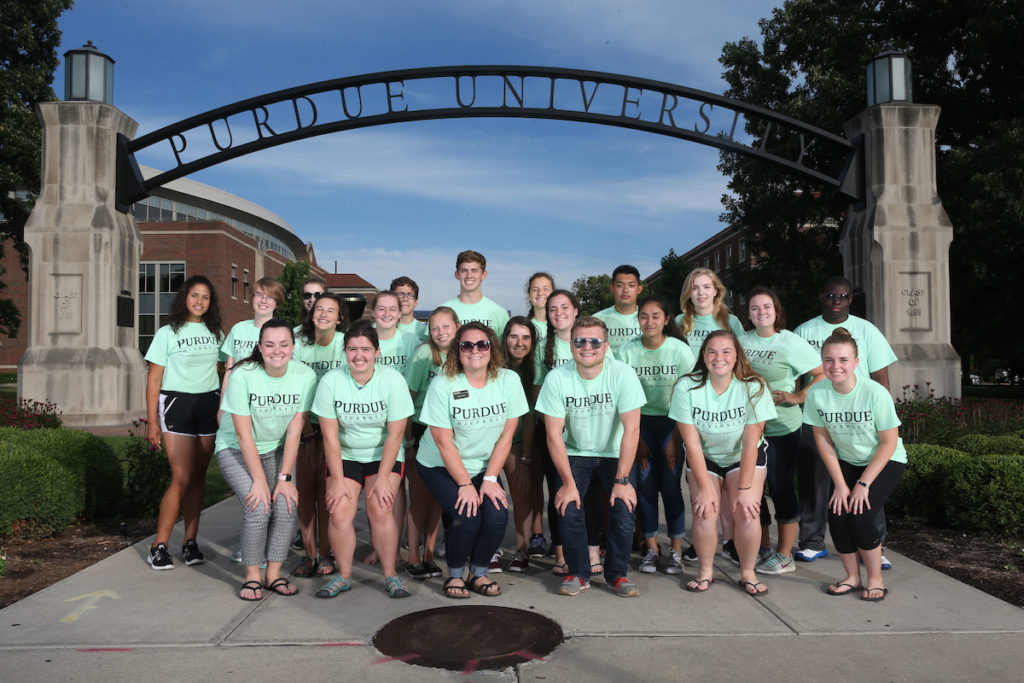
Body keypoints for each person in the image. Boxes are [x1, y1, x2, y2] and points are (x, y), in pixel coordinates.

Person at [536, 316, 646, 597]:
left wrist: (622, 479)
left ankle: (617, 575)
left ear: (606, 346)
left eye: (595, 341)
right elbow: (553, 435)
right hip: (575, 451)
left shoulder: (622, 374)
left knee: (623, 508)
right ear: (571, 346)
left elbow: (632, 429)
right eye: (580, 341)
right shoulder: (557, 378)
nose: (587, 347)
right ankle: (578, 573)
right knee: (568, 507)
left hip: (614, 453)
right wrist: (567, 482)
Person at [416, 323, 528, 598]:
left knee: (497, 517)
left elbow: (506, 436)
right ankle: (454, 575)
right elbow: (443, 442)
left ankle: (478, 573)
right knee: (468, 517)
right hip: (439, 464)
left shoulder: (508, 380)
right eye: (467, 345)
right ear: (457, 351)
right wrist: (465, 484)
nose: (475, 350)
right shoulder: (444, 384)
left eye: (482, 344)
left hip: (482, 465)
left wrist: (489, 479)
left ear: (492, 349)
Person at [793, 276, 898, 567]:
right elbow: (797, 379)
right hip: (820, 417)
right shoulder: (804, 330)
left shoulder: (867, 331)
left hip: (861, 421)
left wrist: (882, 418)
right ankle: (812, 542)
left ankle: (873, 545)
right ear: (821, 298)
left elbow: (880, 376)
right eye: (829, 295)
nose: (835, 300)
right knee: (815, 483)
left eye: (842, 296)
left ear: (851, 299)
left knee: (865, 484)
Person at [668, 330, 777, 595]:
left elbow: (752, 441)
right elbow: (691, 442)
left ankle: (747, 573)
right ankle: (706, 571)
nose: (719, 357)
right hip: (705, 456)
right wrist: (705, 488)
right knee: (704, 510)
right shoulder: (687, 386)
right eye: (712, 351)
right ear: (703, 357)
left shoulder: (754, 386)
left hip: (743, 455)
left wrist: (743, 490)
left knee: (747, 511)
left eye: (726, 351)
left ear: (737, 355)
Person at [313, 320, 415, 599]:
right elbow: (330, 437)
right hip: (346, 454)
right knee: (338, 510)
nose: (359, 355)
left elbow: (396, 434)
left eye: (366, 349)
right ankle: (343, 576)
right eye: (352, 349)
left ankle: (391, 574)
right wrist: (335, 479)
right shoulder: (331, 381)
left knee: (380, 507)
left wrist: (383, 478)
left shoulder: (392, 380)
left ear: (377, 352)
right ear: (344, 351)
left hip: (384, 454)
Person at [215, 319, 316, 600]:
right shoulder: (243, 374)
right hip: (235, 446)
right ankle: (252, 577)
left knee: (285, 505)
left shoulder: (305, 376)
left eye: (284, 344)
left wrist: (284, 480)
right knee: (258, 506)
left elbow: (296, 428)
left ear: (293, 347)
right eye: (269, 344)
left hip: (275, 448)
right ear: (259, 347)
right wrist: (259, 481)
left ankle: (273, 575)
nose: (277, 350)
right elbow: (243, 433)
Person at [804, 329, 906, 602]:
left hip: (885, 459)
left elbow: (888, 442)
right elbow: (823, 441)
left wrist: (862, 484)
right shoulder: (817, 394)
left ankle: (875, 579)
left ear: (857, 363)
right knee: (837, 512)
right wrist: (839, 484)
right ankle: (851, 577)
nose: (836, 366)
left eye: (843, 360)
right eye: (829, 360)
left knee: (860, 512)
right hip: (848, 460)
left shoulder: (874, 392)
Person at [740, 287, 824, 576]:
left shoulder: (790, 342)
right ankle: (762, 548)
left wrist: (798, 397)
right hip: (749, 429)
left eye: (766, 307)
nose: (761, 312)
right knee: (753, 491)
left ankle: (784, 554)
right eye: (754, 308)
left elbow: (822, 373)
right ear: (748, 313)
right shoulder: (741, 341)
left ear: (776, 310)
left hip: (782, 428)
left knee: (780, 487)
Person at [144, 275, 224, 570]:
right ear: (184, 298)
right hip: (177, 404)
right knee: (182, 477)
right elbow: (154, 378)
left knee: (199, 478)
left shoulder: (217, 332)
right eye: (194, 295)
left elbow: (227, 368)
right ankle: (159, 546)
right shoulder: (167, 333)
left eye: (205, 297)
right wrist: (153, 422)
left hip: (207, 404)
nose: (200, 301)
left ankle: (190, 543)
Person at [617, 295, 696, 575]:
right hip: (640, 424)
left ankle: (676, 550)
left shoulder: (680, 351)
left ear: (666, 320)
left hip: (672, 423)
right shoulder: (626, 351)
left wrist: (676, 439)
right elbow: (622, 397)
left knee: (671, 489)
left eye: (655, 316)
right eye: (643, 316)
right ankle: (651, 548)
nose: (649, 322)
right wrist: (636, 438)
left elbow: (687, 395)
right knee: (647, 489)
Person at [675, 268, 745, 564]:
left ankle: (729, 540)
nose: (701, 293)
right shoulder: (681, 322)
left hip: (723, 403)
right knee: (697, 477)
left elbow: (740, 360)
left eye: (707, 287)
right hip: (690, 403)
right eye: (695, 287)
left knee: (728, 483)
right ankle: (702, 537)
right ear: (688, 293)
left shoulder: (731, 321)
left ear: (717, 290)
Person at [535, 289, 603, 575]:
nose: (558, 313)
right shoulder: (542, 347)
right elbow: (539, 391)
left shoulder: (590, 341)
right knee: (560, 492)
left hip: (591, 428)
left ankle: (593, 551)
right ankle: (561, 554)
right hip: (555, 432)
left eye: (564, 307)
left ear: (576, 310)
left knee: (592, 496)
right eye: (552, 309)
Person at [291, 293, 349, 577]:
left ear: (340, 318)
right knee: (305, 492)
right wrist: (307, 430)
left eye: (331, 310)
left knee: (328, 492)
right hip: (303, 426)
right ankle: (310, 554)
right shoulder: (299, 343)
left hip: (335, 428)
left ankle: (326, 554)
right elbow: (294, 386)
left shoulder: (343, 344)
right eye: (319, 308)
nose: (323, 313)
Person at [364, 290, 420, 566]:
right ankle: (385, 547)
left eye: (392, 309)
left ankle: (409, 546)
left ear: (401, 312)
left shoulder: (411, 341)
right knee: (385, 491)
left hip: (407, 420)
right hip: (373, 425)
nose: (386, 314)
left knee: (410, 487)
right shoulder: (365, 339)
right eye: (381, 309)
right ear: (373, 312)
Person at [403, 306, 458, 579]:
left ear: (457, 327)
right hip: (421, 428)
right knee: (421, 497)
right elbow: (407, 400)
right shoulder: (424, 354)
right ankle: (413, 555)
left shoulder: (463, 355)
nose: (440, 333)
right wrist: (408, 440)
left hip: (449, 432)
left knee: (437, 498)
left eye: (446, 327)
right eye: (435, 328)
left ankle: (429, 554)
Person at [499, 316, 541, 572]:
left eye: (525, 337)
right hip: (489, 439)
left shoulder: (536, 368)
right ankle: (488, 549)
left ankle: (522, 549)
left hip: (519, 438)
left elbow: (528, 415)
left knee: (521, 493)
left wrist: (524, 457)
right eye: (514, 336)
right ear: (505, 339)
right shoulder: (494, 364)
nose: (519, 342)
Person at [442, 250, 510, 335]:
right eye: (464, 271)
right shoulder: (442, 312)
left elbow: (504, 347)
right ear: (457, 274)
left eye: (474, 271)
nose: (469, 276)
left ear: (484, 275)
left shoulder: (500, 313)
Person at [594, 265, 643, 354]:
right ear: (612, 288)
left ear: (639, 289)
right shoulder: (597, 320)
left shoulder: (649, 319)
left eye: (631, 285)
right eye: (620, 285)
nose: (625, 290)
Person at [392, 276, 429, 342]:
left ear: (416, 302)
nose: (405, 299)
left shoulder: (426, 330)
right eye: (400, 294)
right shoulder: (377, 328)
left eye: (410, 295)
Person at [526, 272, 555, 346]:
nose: (540, 293)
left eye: (546, 289)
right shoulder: (524, 326)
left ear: (554, 293)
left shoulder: (564, 325)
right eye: (535, 289)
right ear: (529, 295)